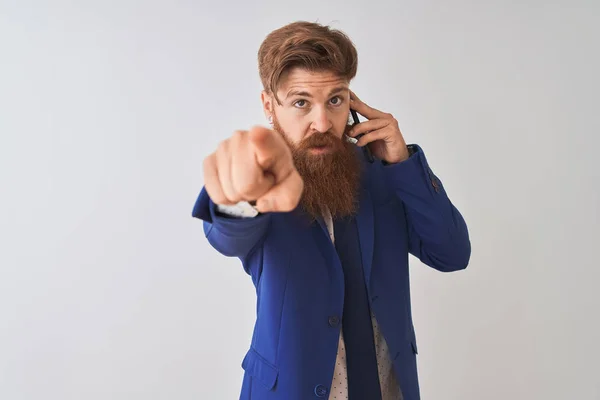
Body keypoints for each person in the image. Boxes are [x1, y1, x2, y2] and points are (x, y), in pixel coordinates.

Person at [192, 21, 471, 400]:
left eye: (335, 100)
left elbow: (451, 253)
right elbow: (226, 232)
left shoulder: (384, 172)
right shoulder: (259, 178)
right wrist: (243, 196)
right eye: (301, 102)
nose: (322, 123)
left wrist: (403, 164)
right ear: (269, 105)